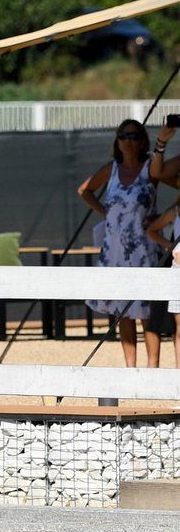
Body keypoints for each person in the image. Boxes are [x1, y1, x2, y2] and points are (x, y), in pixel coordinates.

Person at [78, 119, 162, 368]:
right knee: (121, 310)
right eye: (123, 136)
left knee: (146, 310)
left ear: (143, 141)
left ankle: (152, 368)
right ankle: (130, 368)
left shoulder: (150, 169)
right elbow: (84, 190)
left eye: (134, 136)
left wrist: (165, 215)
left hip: (143, 248)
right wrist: (107, 214)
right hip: (114, 248)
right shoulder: (111, 169)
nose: (128, 140)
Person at [145, 196, 180, 368]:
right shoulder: (175, 212)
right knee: (174, 326)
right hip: (173, 271)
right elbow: (151, 230)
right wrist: (170, 246)